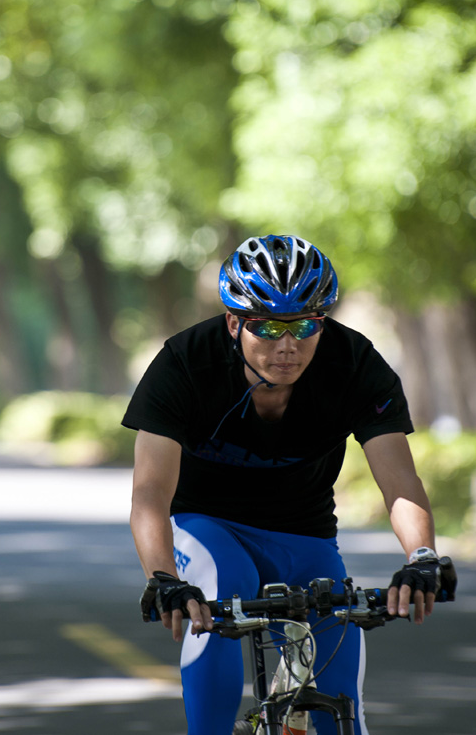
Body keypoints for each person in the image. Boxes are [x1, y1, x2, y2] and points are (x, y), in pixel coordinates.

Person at [123, 234, 454, 735]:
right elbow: (149, 494)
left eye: (304, 326)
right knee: (222, 584)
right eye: (268, 328)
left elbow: (400, 484)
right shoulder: (184, 364)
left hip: (305, 534)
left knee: (340, 706)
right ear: (234, 322)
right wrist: (164, 577)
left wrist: (423, 558)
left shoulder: (355, 364)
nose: (287, 346)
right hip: (207, 524)